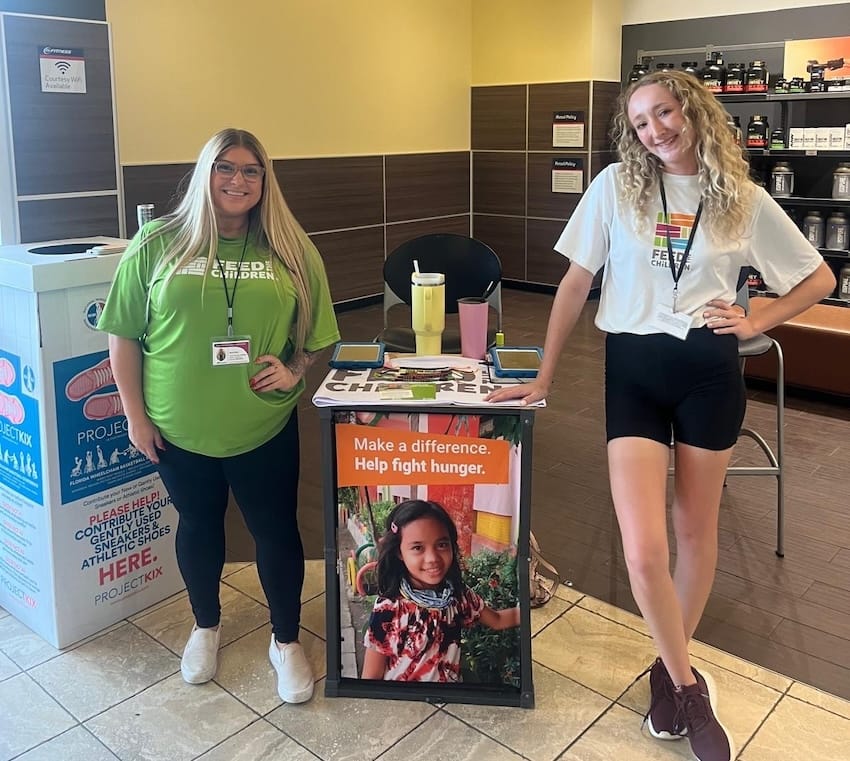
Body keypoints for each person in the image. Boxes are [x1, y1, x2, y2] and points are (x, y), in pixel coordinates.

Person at [487, 70, 835, 761]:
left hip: (710, 371)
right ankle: (688, 687)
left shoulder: (742, 198)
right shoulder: (616, 186)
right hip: (635, 372)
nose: (655, 131)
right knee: (644, 549)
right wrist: (544, 372)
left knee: (693, 531)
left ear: (693, 111)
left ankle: (664, 671)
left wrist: (755, 317)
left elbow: (819, 277)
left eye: (665, 113)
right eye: (641, 122)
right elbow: (576, 284)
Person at [98, 128, 340, 704]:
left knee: (276, 532)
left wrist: (296, 368)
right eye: (225, 168)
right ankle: (205, 626)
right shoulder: (159, 243)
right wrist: (136, 417)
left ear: (264, 180)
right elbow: (124, 335)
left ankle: (285, 640)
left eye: (251, 170)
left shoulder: (289, 246)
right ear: (205, 173)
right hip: (178, 428)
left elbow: (318, 332)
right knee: (199, 526)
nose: (238, 180)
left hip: (262, 426)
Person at [361, 499, 519, 682]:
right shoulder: (389, 608)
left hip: (449, 702)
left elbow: (497, 620)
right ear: (399, 553)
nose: (432, 558)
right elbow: (370, 677)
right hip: (401, 706)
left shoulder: (458, 596)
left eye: (442, 545)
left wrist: (532, 613)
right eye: (418, 548)